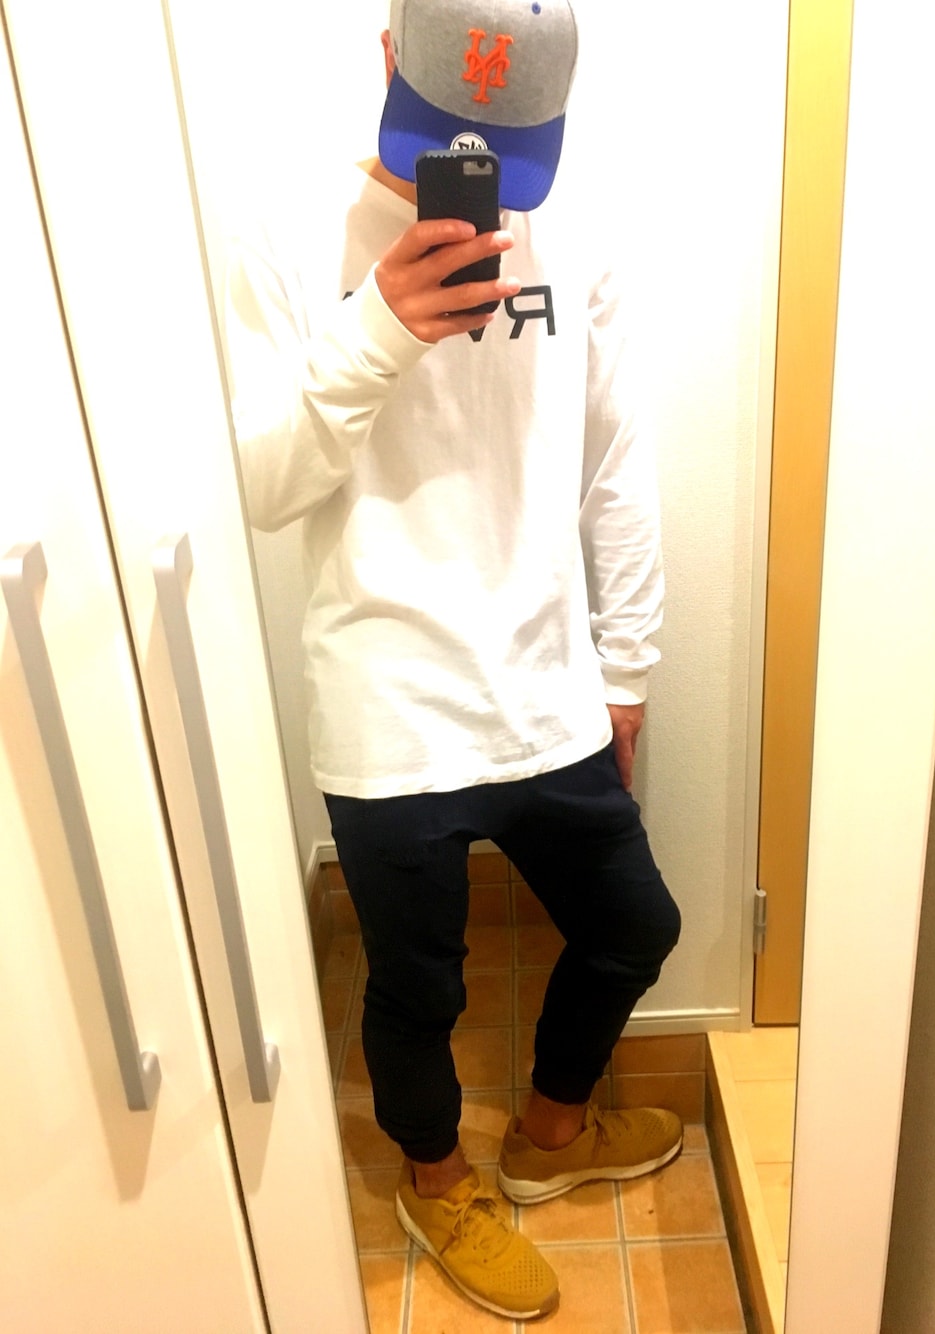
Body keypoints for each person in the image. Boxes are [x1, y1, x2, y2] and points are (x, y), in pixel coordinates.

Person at [226, 0, 682, 1319]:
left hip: (547, 680)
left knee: (634, 925)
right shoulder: (286, 232)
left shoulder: (575, 223)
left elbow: (616, 461)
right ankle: (434, 1180)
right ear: (387, 59)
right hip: (387, 699)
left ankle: (548, 1136)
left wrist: (627, 666)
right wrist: (378, 324)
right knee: (417, 988)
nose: (477, 165)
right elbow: (263, 487)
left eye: (507, 141)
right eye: (444, 125)